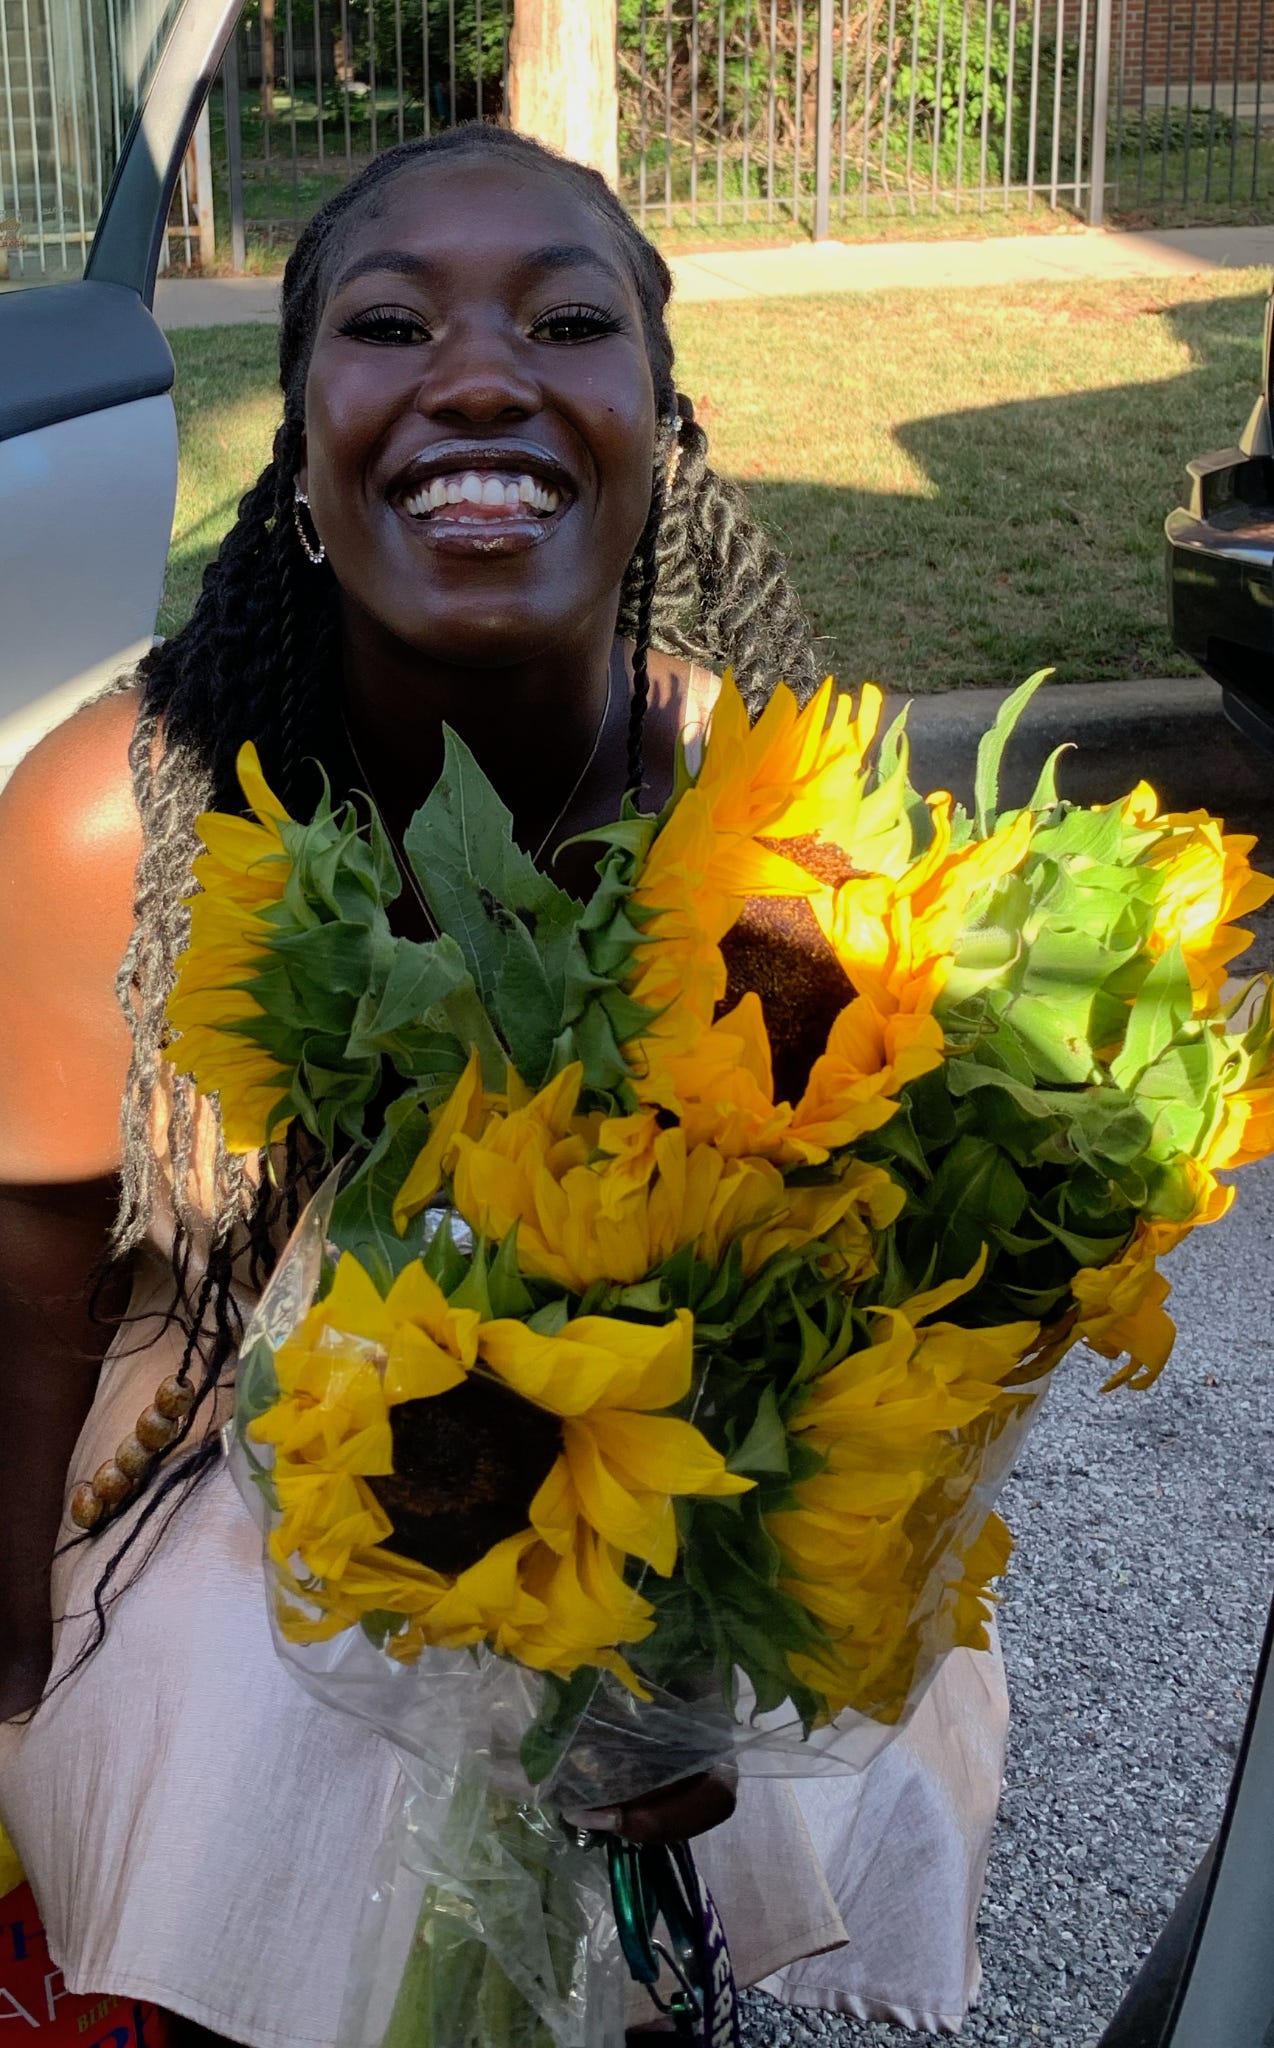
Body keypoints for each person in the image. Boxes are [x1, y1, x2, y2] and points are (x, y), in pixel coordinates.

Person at [0, 125, 1008, 2042]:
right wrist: (9, 1684)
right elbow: (28, 1297)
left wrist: (679, 1663)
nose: (478, 376)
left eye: (564, 323)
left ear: (663, 436)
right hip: (216, 1447)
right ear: (301, 453)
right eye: (391, 325)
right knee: (252, 1750)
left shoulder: (778, 825)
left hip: (659, 1447)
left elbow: (862, 1296)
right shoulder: (112, 828)